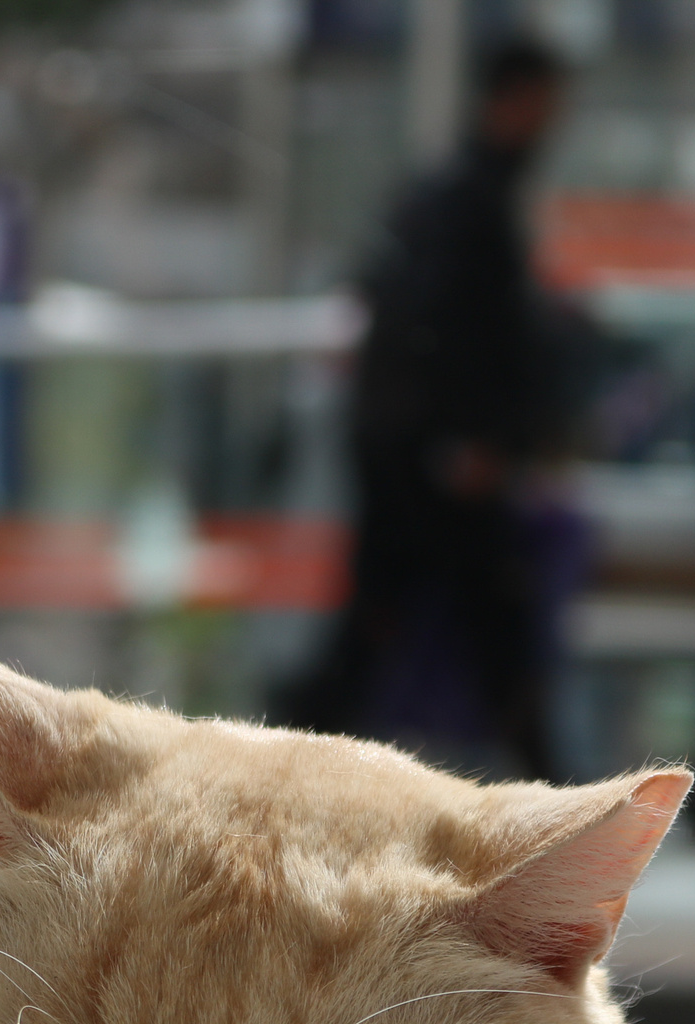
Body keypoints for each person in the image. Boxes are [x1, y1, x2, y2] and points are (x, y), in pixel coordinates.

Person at [279, 35, 567, 779]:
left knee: (400, 627)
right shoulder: (466, 203)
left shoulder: (456, 195)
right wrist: (470, 439)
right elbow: (448, 332)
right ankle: (556, 796)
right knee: (478, 623)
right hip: (437, 464)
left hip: (417, 457)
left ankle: (279, 759)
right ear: (515, 100)